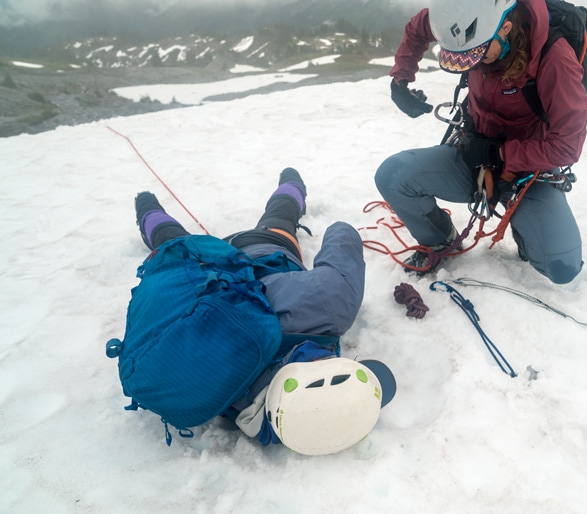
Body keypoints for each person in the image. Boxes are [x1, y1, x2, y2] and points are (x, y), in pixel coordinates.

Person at [133, 168, 395, 455]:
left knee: (281, 215)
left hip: (259, 248)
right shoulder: (209, 393)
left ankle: (292, 183)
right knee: (168, 240)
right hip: (193, 270)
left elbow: (341, 233)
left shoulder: (330, 306)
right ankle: (147, 210)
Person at [375, 0, 587, 284]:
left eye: (477, 54)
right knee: (393, 176)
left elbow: (567, 146)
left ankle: (526, 228)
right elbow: (418, 27)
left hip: (529, 172)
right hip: (472, 151)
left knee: (562, 268)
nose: (472, 63)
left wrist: (499, 154)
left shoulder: (554, 57)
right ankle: (440, 240)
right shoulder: (461, 15)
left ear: (506, 28)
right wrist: (400, 80)